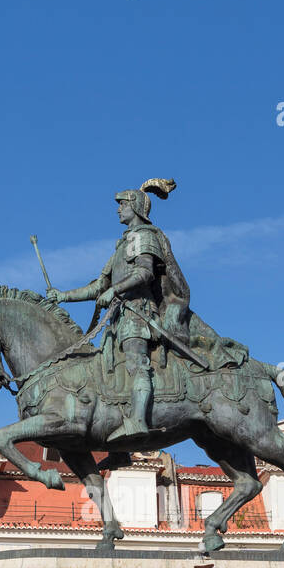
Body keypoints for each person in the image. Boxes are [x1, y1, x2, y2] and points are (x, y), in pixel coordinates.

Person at [47, 179, 191, 442]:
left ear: (135, 207)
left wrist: (115, 290)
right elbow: (99, 285)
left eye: (122, 204)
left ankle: (137, 421)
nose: (118, 209)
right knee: (110, 375)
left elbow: (145, 273)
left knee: (137, 363)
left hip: (139, 313)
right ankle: (120, 445)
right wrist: (63, 296)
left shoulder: (143, 236)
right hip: (119, 318)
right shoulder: (122, 246)